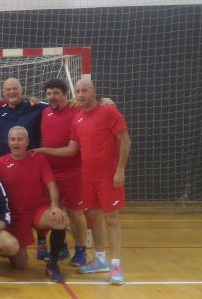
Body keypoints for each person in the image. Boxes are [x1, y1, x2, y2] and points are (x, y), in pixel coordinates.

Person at [35, 79, 131, 285]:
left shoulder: (109, 112)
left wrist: (120, 170)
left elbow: (125, 140)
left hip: (109, 177)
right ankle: (99, 259)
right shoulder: (77, 118)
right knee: (94, 217)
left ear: (93, 91)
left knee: (112, 221)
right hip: (87, 178)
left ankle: (115, 266)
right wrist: (42, 150)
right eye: (78, 91)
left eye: (84, 90)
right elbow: (71, 150)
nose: (81, 94)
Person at [0, 126, 68, 282]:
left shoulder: (38, 159)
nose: (16, 142)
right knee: (20, 265)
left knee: (59, 219)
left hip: (37, 210)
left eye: (20, 139)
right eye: (13, 139)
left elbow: (51, 184)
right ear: (8, 142)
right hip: (16, 217)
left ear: (27, 142)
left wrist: (54, 206)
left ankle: (52, 264)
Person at [40, 79, 88, 266]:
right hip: (51, 174)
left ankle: (82, 250)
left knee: (75, 213)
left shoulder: (77, 111)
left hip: (73, 172)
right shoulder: (44, 112)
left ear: (66, 94)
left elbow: (72, 150)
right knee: (56, 212)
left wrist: (106, 100)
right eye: (49, 93)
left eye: (56, 93)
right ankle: (61, 247)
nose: (52, 96)